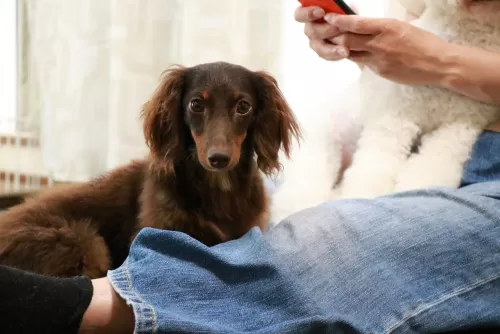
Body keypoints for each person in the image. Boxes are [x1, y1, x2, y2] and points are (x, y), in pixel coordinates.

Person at [3, 3, 500, 333]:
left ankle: (84, 309)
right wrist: (372, 52)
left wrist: (441, 62)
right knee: (287, 209)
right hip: (387, 143)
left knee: (329, 233)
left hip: (482, 170)